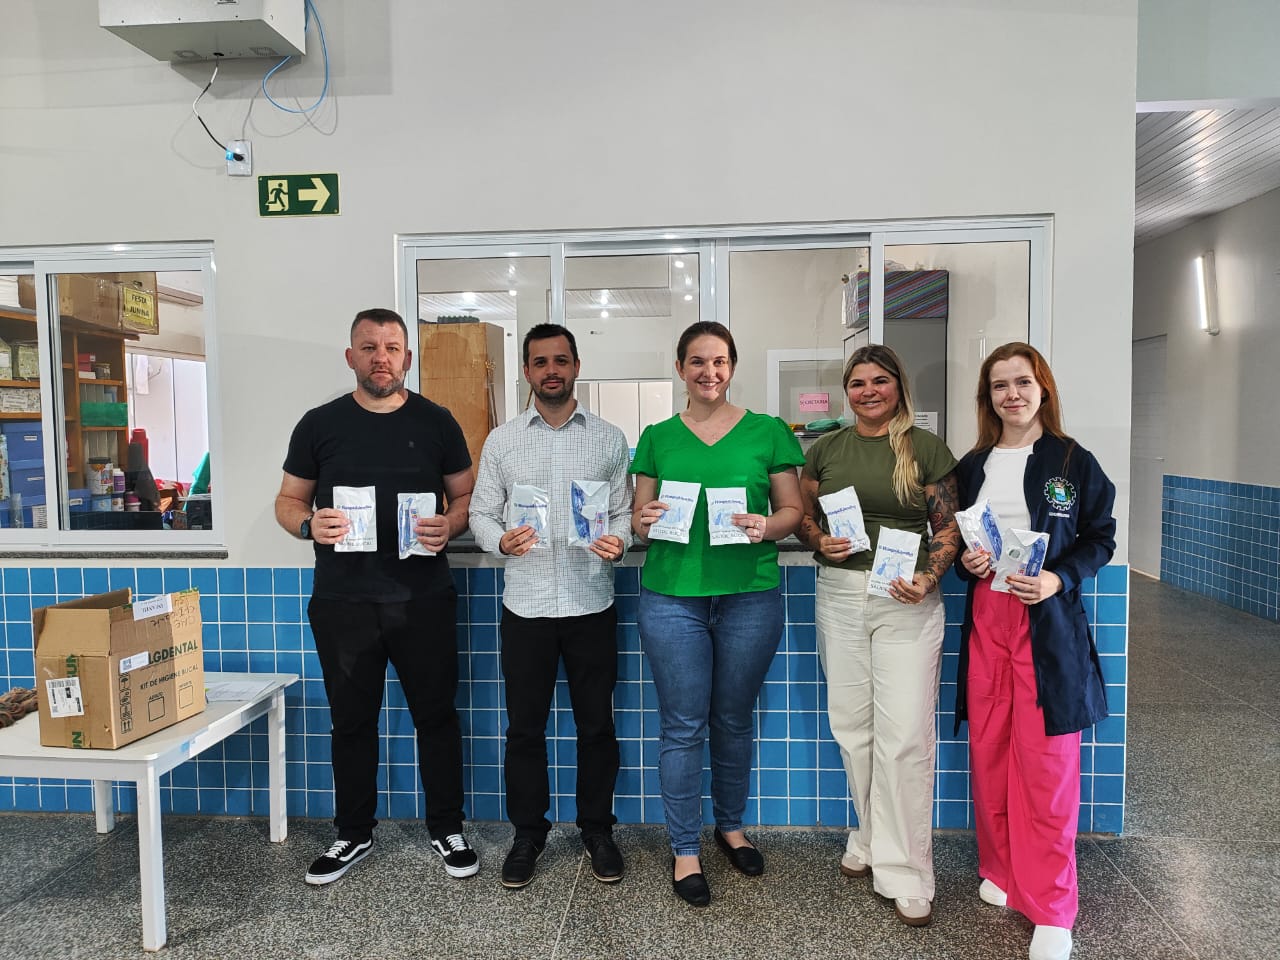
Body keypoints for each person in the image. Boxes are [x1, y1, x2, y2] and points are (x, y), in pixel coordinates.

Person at [274, 307, 479, 886]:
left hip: (424, 599)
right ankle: (353, 833)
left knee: (436, 717)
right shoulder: (319, 424)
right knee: (351, 722)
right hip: (343, 602)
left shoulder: (438, 422)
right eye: (369, 348)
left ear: (407, 357)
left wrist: (450, 524)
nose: (380, 358)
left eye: (391, 348)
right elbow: (288, 501)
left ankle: (447, 827)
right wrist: (307, 525)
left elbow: (467, 498)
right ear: (351, 357)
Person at [631, 320, 804, 907]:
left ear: (732, 367)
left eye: (720, 361)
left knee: (732, 720)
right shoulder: (657, 436)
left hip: (749, 595)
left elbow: (791, 511)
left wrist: (767, 525)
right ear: (680, 368)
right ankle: (684, 848)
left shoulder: (768, 431)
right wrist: (643, 519)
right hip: (672, 597)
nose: (710, 372)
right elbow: (639, 519)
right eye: (698, 362)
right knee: (683, 726)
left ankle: (730, 827)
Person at [953, 342, 1115, 960]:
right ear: (988, 397)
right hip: (987, 620)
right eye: (999, 385)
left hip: (1046, 625)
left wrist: (1057, 578)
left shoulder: (1073, 461)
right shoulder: (974, 465)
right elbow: (961, 541)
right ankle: (1001, 871)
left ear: (1043, 388)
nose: (1012, 394)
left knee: (1046, 767)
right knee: (991, 752)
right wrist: (969, 565)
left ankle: (1052, 906)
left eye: (1022, 382)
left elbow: (1100, 538)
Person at [798, 344, 961, 928]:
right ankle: (869, 837)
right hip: (840, 595)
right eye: (858, 383)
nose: (868, 391)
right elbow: (804, 516)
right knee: (853, 728)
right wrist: (819, 540)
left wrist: (929, 577)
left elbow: (948, 528)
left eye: (880, 381)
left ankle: (909, 872)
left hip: (905, 598)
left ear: (898, 386)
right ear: (847, 391)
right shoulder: (826, 449)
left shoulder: (925, 447)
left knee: (904, 736)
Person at [469, 323, 633, 890]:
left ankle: (597, 831)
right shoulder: (502, 441)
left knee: (597, 727)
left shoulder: (609, 438)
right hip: (527, 606)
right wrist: (499, 540)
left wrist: (620, 540)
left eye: (561, 360)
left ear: (576, 366)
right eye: (540, 362)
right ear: (526, 372)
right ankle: (527, 835)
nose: (552, 370)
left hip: (591, 602)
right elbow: (481, 512)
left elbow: (623, 512)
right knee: (524, 730)